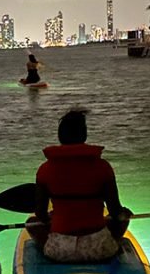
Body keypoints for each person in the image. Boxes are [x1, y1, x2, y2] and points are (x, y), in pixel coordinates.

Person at [28, 108, 132, 262]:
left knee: (31, 224)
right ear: (84, 135)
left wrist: (51, 218)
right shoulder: (103, 167)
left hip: (60, 250)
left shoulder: (45, 169)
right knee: (123, 219)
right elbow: (115, 211)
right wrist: (124, 213)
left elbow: (40, 214)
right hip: (99, 248)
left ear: (60, 136)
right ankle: (112, 245)